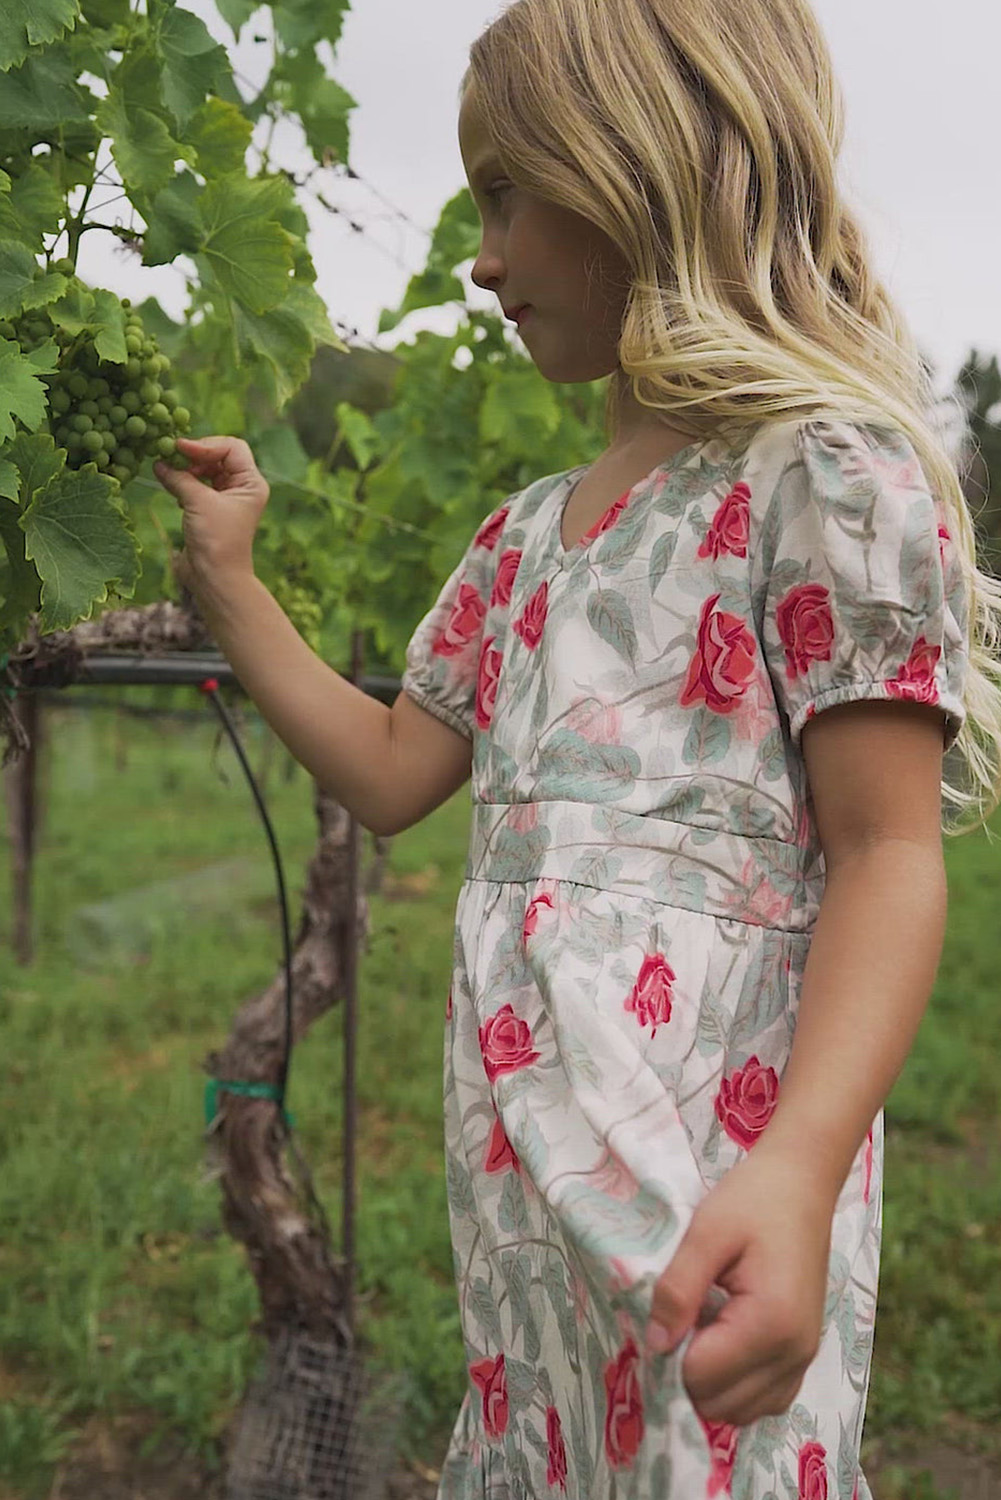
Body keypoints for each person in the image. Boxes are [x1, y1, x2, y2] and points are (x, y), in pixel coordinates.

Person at [155, 2, 1001, 1495]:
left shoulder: (825, 478)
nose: (479, 255)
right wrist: (230, 582)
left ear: (638, 174)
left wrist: (800, 1172)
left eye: (502, 195)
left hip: (723, 1194)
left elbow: (886, 855)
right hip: (525, 1219)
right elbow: (395, 766)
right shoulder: (529, 536)